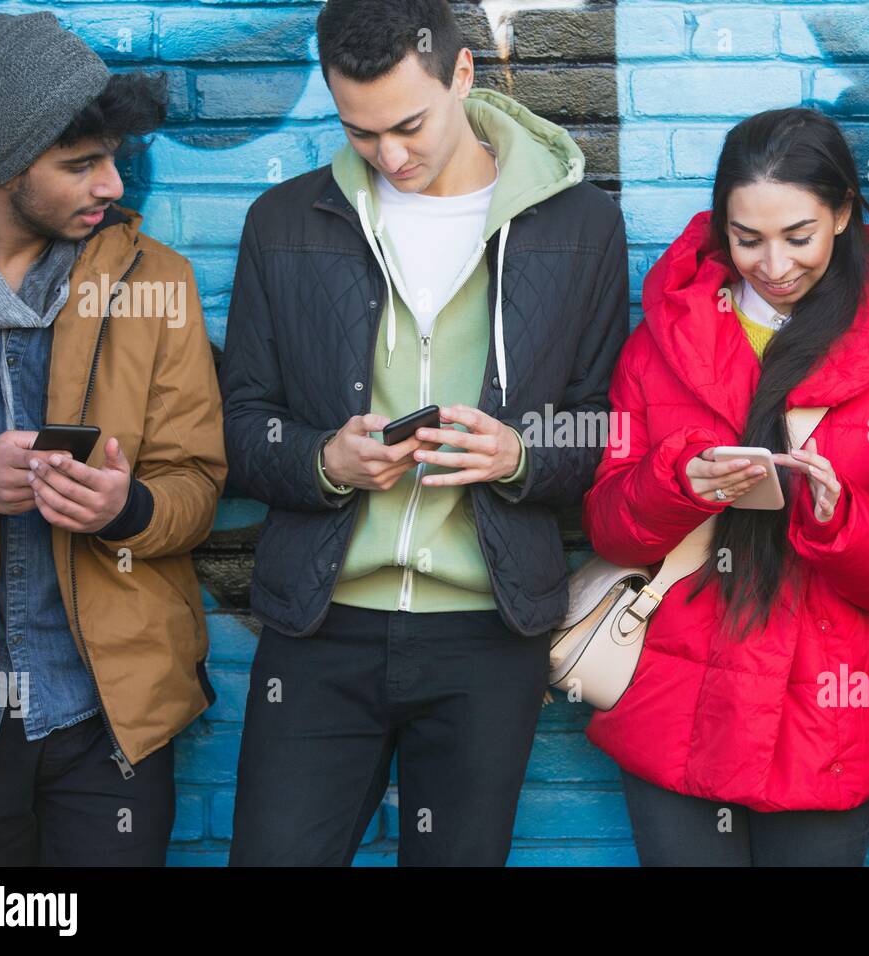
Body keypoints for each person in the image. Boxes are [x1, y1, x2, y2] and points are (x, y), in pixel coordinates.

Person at [221, 0, 628, 866]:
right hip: (320, 629)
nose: (390, 156)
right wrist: (323, 460)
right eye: (360, 133)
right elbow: (242, 423)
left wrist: (519, 454)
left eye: (409, 124)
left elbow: (600, 422)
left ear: (463, 75)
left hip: (488, 637)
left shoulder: (580, 225)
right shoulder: (285, 222)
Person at [581, 108, 869, 866]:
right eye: (747, 239)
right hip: (678, 707)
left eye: (799, 236)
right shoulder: (660, 343)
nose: (773, 264)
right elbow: (609, 527)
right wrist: (678, 483)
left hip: (831, 721)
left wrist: (842, 519)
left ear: (844, 213)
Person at [0, 12, 227, 865]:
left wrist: (128, 508)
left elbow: (197, 483)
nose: (110, 183)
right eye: (79, 164)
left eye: (113, 156)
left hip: (111, 719)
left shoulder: (155, 279)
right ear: (4, 163)